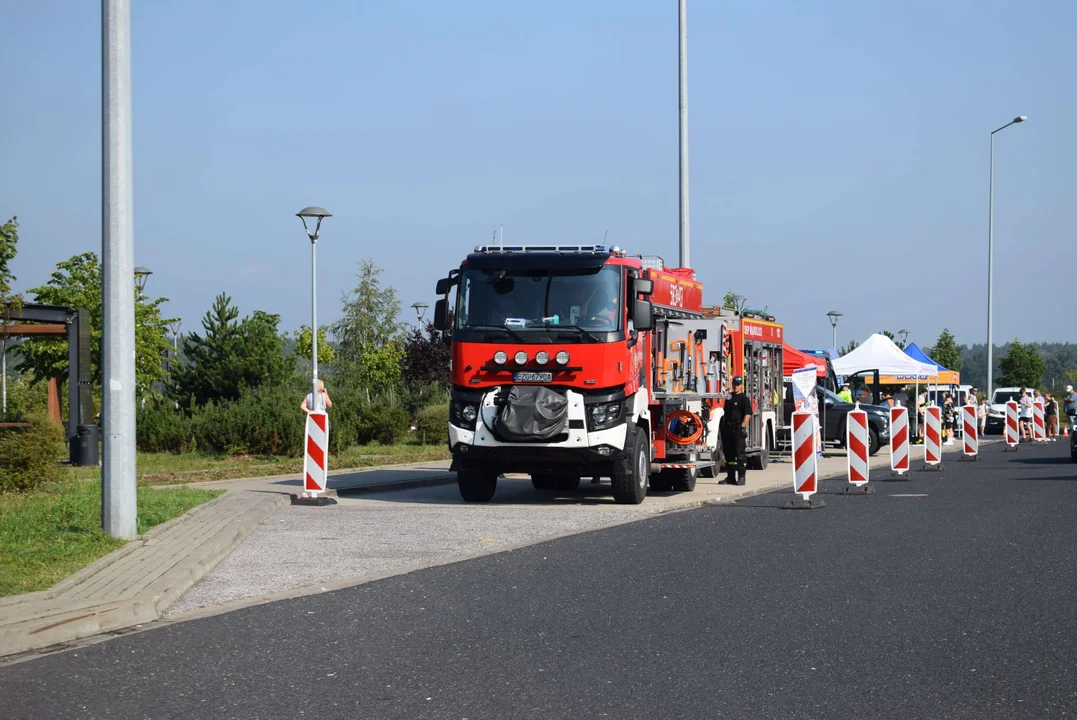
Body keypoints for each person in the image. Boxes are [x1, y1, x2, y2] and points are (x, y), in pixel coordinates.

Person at [720, 375, 753, 486]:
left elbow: (747, 414)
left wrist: (742, 427)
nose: (736, 386)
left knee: (740, 455)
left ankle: (742, 478)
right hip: (728, 429)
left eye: (738, 384)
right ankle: (730, 477)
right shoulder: (729, 399)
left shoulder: (744, 399)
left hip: (738, 428)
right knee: (729, 455)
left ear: (741, 386)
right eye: (734, 384)